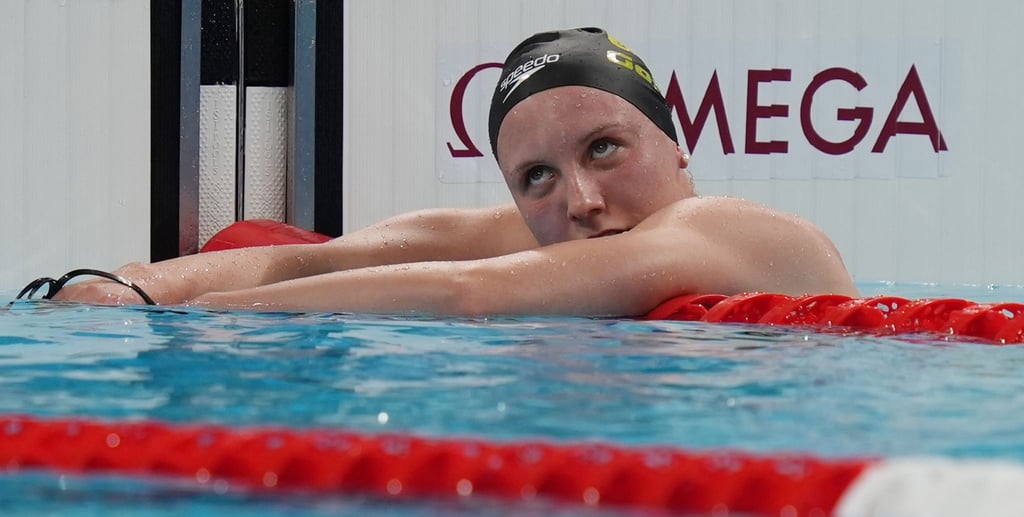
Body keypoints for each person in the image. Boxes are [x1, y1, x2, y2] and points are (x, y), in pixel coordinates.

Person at [57, 27, 857, 315]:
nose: (580, 200)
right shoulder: (544, 242)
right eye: (536, 178)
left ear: (678, 146)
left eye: (605, 149)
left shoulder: (721, 228)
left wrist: (198, 320)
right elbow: (322, 257)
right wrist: (134, 284)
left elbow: (466, 292)